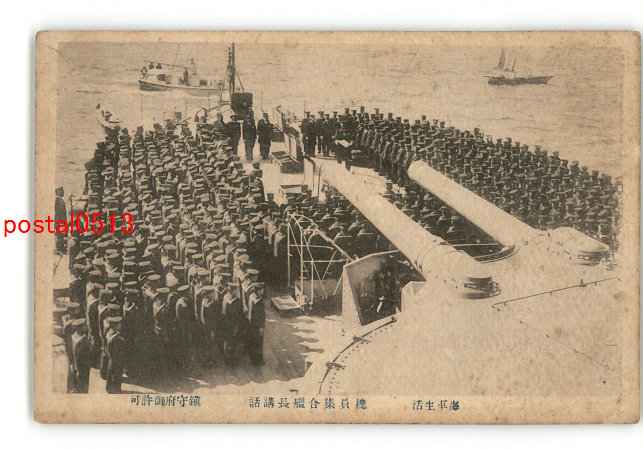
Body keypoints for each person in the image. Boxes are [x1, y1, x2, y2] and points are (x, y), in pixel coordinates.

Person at [55, 186, 67, 254]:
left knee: (61, 235)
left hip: (60, 221)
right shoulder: (59, 201)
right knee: (60, 236)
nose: (63, 192)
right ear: (58, 192)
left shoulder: (59, 200)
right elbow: (59, 213)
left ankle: (61, 249)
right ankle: (59, 249)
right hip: (60, 222)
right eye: (62, 191)